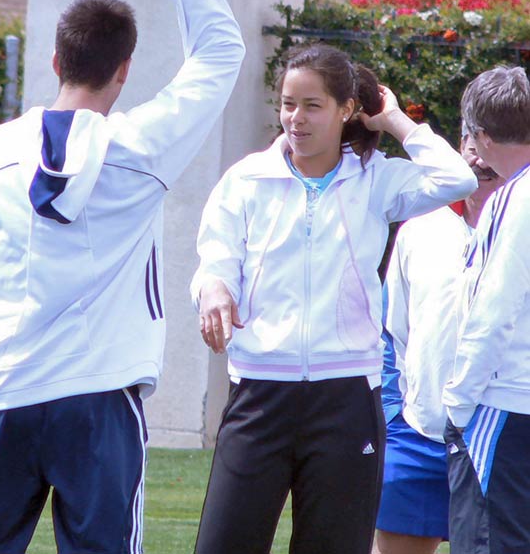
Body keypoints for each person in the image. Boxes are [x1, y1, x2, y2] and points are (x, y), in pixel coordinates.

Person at [0, 0, 244, 554]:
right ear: (124, 69)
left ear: (56, 59)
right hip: (100, 395)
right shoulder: (143, 147)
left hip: (4, 389)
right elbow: (223, 50)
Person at [190, 43, 477, 554]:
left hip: (346, 400)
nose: (295, 119)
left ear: (347, 110)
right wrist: (213, 287)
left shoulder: (377, 181)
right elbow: (216, 258)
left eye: (312, 105)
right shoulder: (246, 180)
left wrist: (394, 122)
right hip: (259, 394)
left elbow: (457, 178)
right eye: (287, 104)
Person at [374, 126, 504, 554]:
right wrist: (394, 415)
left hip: (500, 440)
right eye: (472, 145)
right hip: (417, 435)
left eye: (493, 146)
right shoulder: (418, 229)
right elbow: (392, 333)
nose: (481, 159)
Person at [442, 66, 530, 554]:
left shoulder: (515, 197)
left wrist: (457, 402)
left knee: (488, 543)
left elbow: (495, 306)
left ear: (480, 135)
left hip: (505, 403)